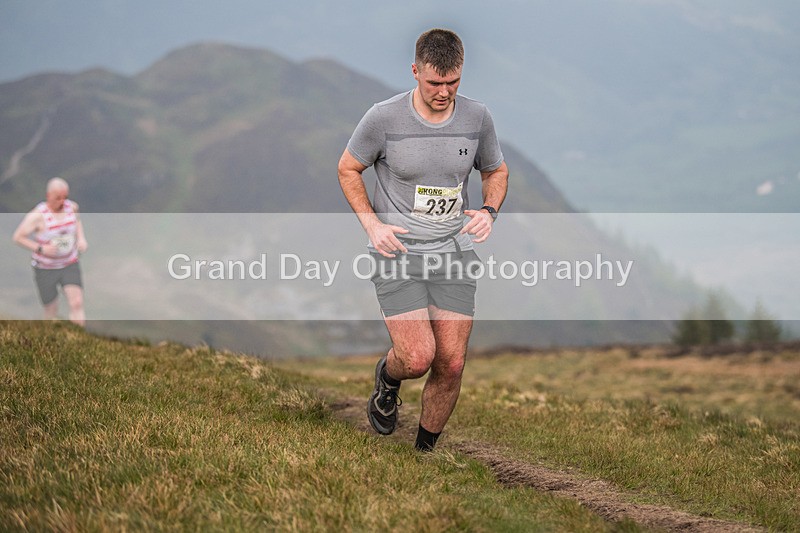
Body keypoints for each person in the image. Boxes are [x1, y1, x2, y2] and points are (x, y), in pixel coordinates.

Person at [337, 29, 509, 451]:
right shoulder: (382, 118)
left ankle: (423, 456)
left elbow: (496, 171)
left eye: (453, 83)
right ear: (415, 72)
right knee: (417, 358)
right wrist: (373, 226)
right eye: (434, 83)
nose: (444, 92)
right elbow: (347, 169)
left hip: (454, 251)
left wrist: (488, 211)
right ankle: (388, 376)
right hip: (397, 253)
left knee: (450, 361)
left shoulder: (477, 117)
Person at [12, 177, 88, 326]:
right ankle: (49, 340)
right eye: (57, 198)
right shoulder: (37, 216)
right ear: (48, 196)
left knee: (77, 302)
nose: (62, 202)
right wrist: (41, 248)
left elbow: (77, 221)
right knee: (51, 309)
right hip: (45, 268)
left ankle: (80, 338)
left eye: (64, 197)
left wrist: (81, 239)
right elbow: (18, 237)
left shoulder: (72, 207)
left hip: (69, 263)